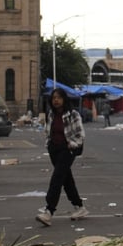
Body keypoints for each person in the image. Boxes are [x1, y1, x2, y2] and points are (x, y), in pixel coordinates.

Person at [36, 87, 88, 226]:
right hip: (54, 150)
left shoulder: (73, 114)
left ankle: (49, 211)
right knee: (66, 179)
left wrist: (72, 145)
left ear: (64, 99)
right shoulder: (51, 114)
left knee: (57, 178)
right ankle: (80, 207)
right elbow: (48, 131)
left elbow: (80, 134)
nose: (56, 100)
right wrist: (49, 144)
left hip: (67, 149)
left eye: (59, 97)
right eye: (54, 98)